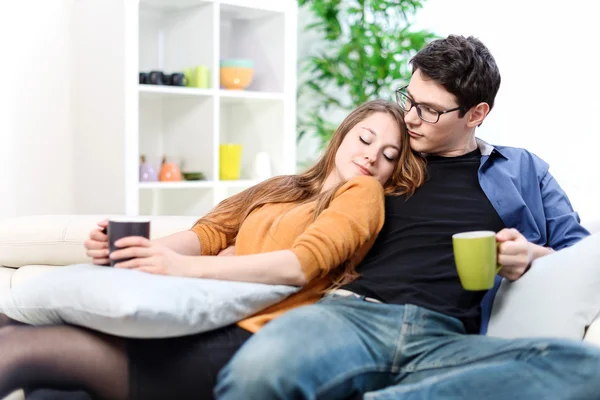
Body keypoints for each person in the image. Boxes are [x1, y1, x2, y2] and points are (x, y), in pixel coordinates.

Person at [214, 35, 600, 400]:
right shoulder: (387, 155)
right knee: (259, 370)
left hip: (445, 340)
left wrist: (531, 255)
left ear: (476, 113)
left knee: (585, 368)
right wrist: (235, 246)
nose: (411, 117)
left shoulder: (523, 170)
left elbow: (582, 257)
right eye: (409, 99)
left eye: (430, 110)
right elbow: (304, 197)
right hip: (352, 316)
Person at [0, 100, 427, 400]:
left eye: (388, 155)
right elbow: (208, 234)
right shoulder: (281, 188)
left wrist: (180, 266)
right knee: (26, 345)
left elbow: (302, 265)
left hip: (255, 338)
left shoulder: (362, 193)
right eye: (365, 139)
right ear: (343, 135)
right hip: (195, 319)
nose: (372, 157)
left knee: (24, 350)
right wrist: (131, 251)